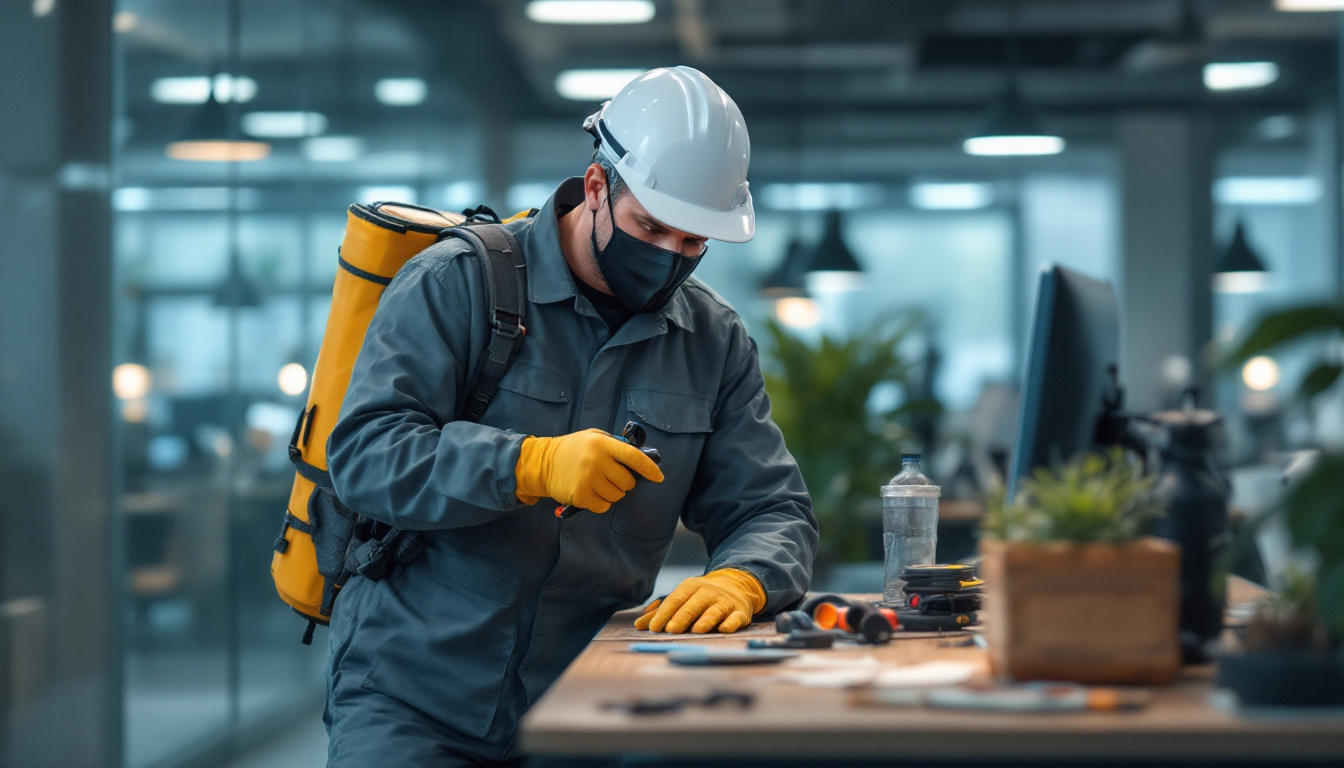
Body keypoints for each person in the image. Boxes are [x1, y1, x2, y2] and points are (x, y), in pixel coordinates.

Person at [323, 66, 818, 767]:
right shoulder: (455, 285)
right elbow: (366, 457)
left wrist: (745, 577)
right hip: (412, 696)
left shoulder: (712, 341)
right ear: (596, 189)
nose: (671, 257)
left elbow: (773, 509)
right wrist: (528, 463)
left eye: (694, 243)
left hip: (585, 708)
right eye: (652, 227)